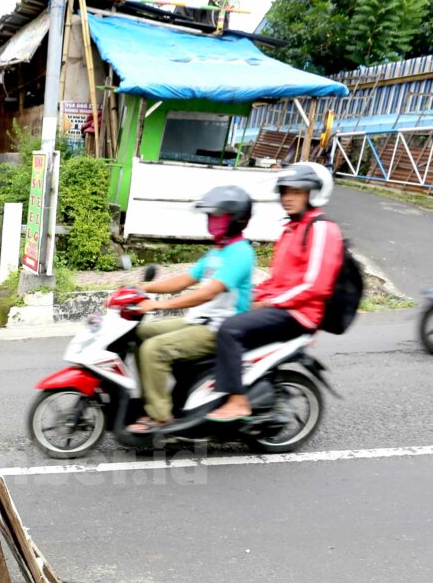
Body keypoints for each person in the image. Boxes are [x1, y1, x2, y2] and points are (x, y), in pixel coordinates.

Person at [209, 163, 342, 423]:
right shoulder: (292, 229)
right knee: (220, 321)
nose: (288, 198)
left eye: (297, 191)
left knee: (229, 329)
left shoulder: (322, 228)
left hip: (299, 314)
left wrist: (271, 303)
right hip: (284, 306)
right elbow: (278, 280)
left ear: (313, 193)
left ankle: (237, 401)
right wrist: (250, 297)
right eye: (285, 192)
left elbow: (316, 284)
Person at [127, 186, 256, 433]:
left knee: (154, 350)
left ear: (236, 219)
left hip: (219, 329)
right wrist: (143, 288)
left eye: (219, 216)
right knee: (140, 334)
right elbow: (185, 280)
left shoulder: (241, 253)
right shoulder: (217, 252)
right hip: (198, 321)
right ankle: (153, 399)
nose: (213, 222)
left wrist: (158, 304)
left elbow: (208, 292)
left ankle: (159, 417)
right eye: (211, 217)